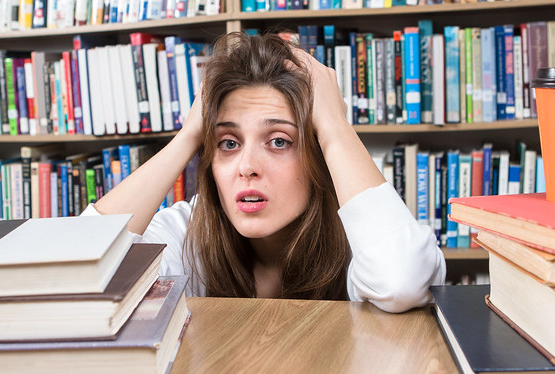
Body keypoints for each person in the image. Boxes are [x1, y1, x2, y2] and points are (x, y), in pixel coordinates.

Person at [88, 32, 445, 312]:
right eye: (228, 143)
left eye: (278, 141)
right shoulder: (188, 232)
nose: (247, 167)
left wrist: (334, 126)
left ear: (320, 153)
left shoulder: (363, 233)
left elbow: (400, 282)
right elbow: (81, 276)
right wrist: (188, 136)